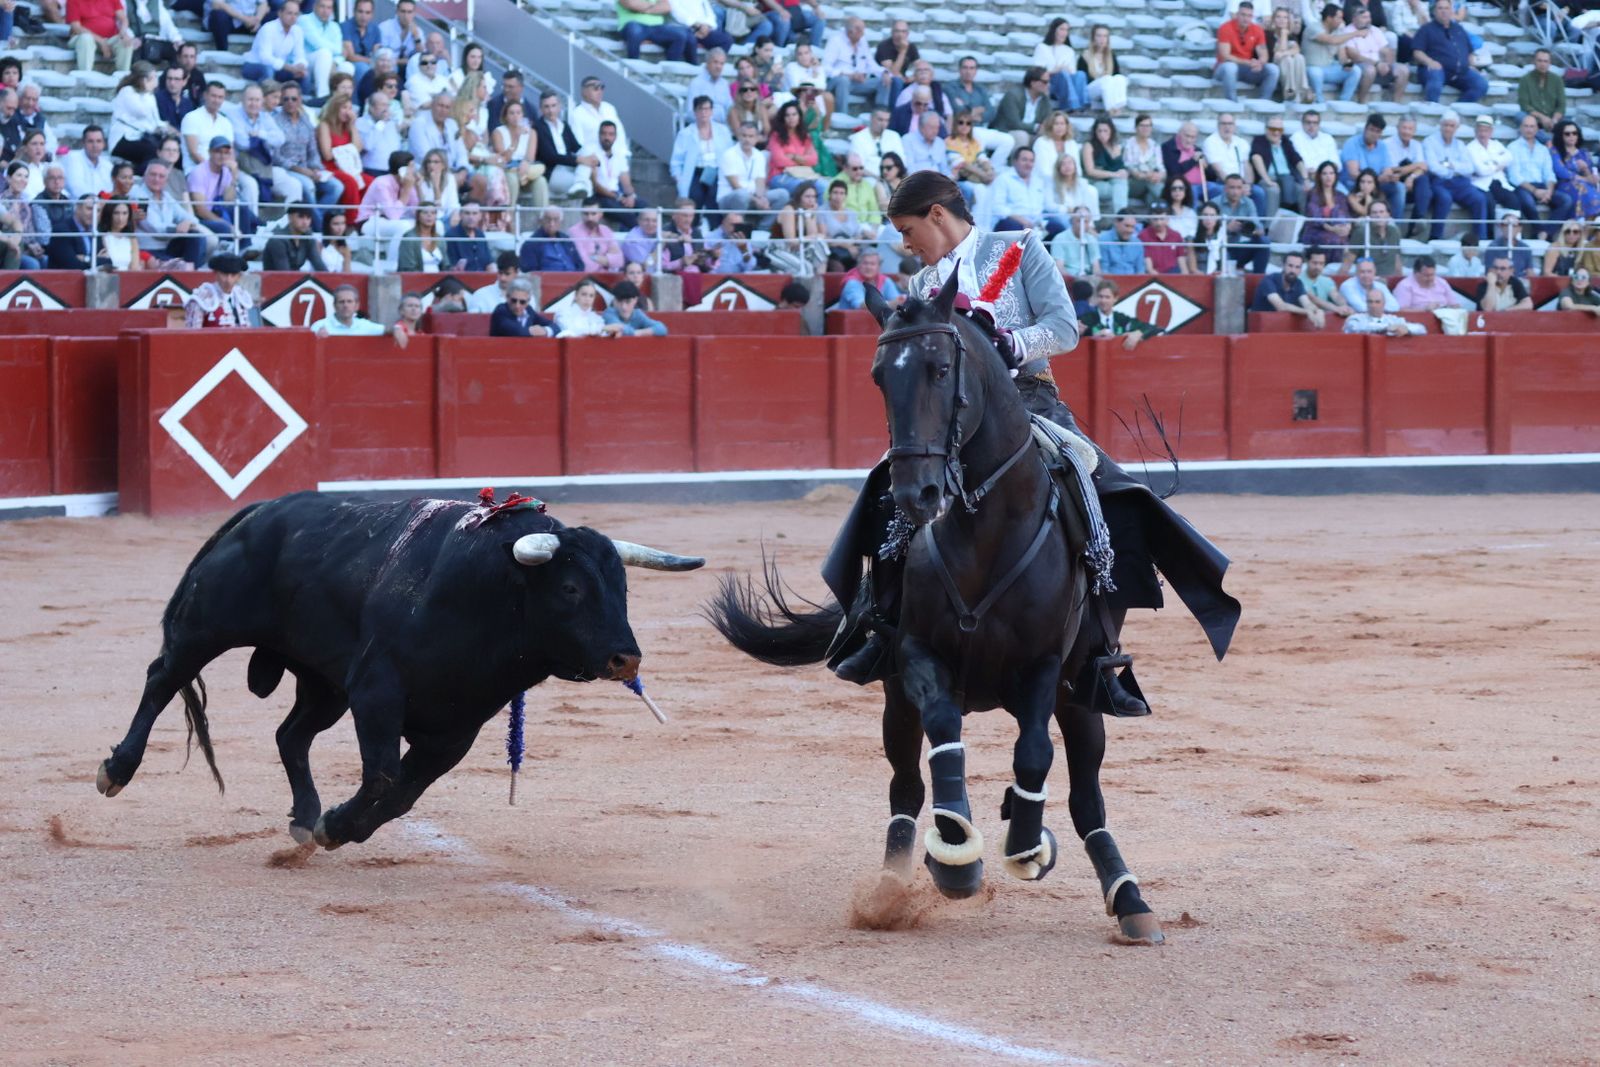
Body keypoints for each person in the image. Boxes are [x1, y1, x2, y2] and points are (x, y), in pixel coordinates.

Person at [825, 170, 1240, 715]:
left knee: (1095, 476)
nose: (905, 244)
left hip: (1029, 399)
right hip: (954, 417)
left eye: (907, 229)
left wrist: (1010, 342)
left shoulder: (1019, 250)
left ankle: (1100, 647)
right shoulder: (923, 286)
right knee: (888, 482)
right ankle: (878, 624)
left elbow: (1064, 327)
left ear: (936, 215)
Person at [1505, 114, 1570, 239]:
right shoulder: (1513, 147)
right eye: (1526, 126)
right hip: (1523, 186)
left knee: (1566, 200)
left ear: (1537, 129)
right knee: (1527, 202)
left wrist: (1549, 192)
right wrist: (1535, 191)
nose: (1529, 129)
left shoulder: (1543, 149)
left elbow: (1549, 173)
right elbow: (1514, 176)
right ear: (1521, 128)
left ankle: (1545, 233)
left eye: (1532, 126)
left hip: (1542, 186)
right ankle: (1540, 231)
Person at [1410, 0, 1484, 104]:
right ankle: (1432, 109)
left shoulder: (1459, 29)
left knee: (1481, 84)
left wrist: (1471, 65)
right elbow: (1417, 52)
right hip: (1436, 70)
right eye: (1440, 8)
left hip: (1460, 72)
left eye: (1446, 8)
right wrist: (1430, 62)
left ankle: (1457, 110)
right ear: (1434, 11)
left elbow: (1469, 51)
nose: (1443, 11)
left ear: (1451, 11)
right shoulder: (1426, 29)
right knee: (1435, 77)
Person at [133, 157, 203, 265]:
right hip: (148, 250)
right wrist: (177, 228)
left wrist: (187, 223)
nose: (157, 179)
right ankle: (187, 270)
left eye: (161, 176)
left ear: (166, 179)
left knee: (194, 235)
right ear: (144, 176)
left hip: (167, 247)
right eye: (153, 174)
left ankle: (192, 272)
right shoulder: (138, 195)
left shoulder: (166, 196)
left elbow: (191, 218)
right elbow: (155, 228)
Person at [671, 95, 732, 213]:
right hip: (695, 172)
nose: (704, 112)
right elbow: (676, 161)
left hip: (717, 171)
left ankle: (714, 227)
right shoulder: (686, 133)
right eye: (700, 109)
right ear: (695, 111)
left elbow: (729, 155)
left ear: (712, 111)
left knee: (715, 196)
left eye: (707, 109)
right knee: (694, 197)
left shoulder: (722, 131)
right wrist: (679, 179)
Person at [534, 90, 597, 202]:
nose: (551, 110)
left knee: (587, 149)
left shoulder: (564, 125)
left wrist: (592, 159)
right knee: (588, 187)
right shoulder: (538, 127)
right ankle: (580, 184)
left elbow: (576, 148)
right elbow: (550, 157)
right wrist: (579, 160)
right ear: (541, 109)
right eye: (546, 107)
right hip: (553, 172)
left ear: (559, 106)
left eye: (553, 106)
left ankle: (579, 183)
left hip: (570, 168)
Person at [1214, 1, 1280, 102]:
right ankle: (1232, 102)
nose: (1246, 18)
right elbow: (1225, 56)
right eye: (1243, 15)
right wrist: (1247, 62)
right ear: (1237, 15)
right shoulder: (1225, 28)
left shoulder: (1257, 29)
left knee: (1273, 69)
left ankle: (1263, 102)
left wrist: (1259, 63)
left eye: (1249, 16)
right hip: (1223, 67)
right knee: (1230, 67)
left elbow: (1264, 54)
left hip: (1246, 68)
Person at [241, 0, 309, 94]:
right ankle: (267, 101)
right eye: (289, 13)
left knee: (304, 75)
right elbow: (265, 58)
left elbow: (300, 55)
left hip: (278, 68)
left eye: (296, 14)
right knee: (267, 70)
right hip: (253, 65)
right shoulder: (268, 28)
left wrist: (301, 66)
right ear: (280, 13)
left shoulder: (298, 30)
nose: (293, 17)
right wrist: (289, 67)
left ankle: (303, 103)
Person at [719, 119, 786, 214]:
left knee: (782, 194)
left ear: (757, 138)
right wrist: (756, 200)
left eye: (751, 136)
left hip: (753, 197)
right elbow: (736, 187)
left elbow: (760, 183)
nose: (747, 139)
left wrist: (762, 198)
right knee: (741, 195)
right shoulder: (729, 155)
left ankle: (763, 227)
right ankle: (739, 227)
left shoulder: (759, 156)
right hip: (730, 198)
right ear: (738, 136)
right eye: (744, 135)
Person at [1250, 249, 1326, 326]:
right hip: (1260, 329)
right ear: (1283, 265)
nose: (1293, 270)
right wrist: (1307, 312)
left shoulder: (1298, 283)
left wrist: (1318, 311)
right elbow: (1280, 306)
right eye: (1290, 266)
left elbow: (1307, 303)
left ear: (1300, 270)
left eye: (1297, 267)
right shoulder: (1269, 281)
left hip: (1281, 328)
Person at [1082, 279, 1159, 349]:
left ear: (1115, 298)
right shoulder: (1087, 319)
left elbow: (1154, 328)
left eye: (1107, 297)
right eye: (1100, 296)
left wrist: (1139, 333)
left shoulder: (1122, 319)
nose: (1103, 301)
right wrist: (1090, 336)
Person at [1253, 115, 1306, 216]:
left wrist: (1305, 178)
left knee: (1302, 190)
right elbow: (1256, 158)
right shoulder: (1260, 140)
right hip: (1268, 178)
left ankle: (1304, 225)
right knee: (1273, 191)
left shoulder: (1285, 141)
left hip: (1287, 179)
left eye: (1279, 130)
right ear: (1266, 129)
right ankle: (1269, 227)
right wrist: (1268, 180)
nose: (1276, 132)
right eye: (1273, 129)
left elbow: (1297, 160)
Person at [183, 251, 254, 327]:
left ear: (239, 276)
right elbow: (193, 333)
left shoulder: (242, 296)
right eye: (224, 274)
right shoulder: (201, 298)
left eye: (233, 275)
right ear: (216, 274)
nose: (228, 280)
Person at [992, 67, 1052, 152]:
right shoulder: (1013, 96)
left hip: (1032, 133)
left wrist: (1044, 128)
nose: (1048, 85)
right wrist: (1036, 127)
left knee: (1049, 137)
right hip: (1007, 131)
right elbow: (1014, 124)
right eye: (1045, 82)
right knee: (1022, 136)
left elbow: (1049, 119)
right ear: (1033, 83)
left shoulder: (1044, 98)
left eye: (1049, 82)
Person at [1218, 173, 1269, 273]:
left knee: (1264, 241)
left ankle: (1258, 278)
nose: (1235, 192)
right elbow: (1208, 233)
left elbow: (1258, 226)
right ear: (1225, 189)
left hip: (1239, 246)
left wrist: (1253, 230)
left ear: (1242, 189)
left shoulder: (1249, 202)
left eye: (1238, 188)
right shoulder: (1215, 203)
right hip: (1220, 248)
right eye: (1232, 188)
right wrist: (1227, 229)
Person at [1551, 121, 1600, 222]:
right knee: (1582, 189)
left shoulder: (1584, 152)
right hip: (1565, 184)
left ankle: (1589, 230)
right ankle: (1579, 223)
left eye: (1574, 133)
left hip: (1586, 184)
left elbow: (1590, 175)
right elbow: (1561, 171)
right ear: (1561, 135)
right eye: (1567, 134)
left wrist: (1585, 169)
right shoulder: (1555, 151)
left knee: (1591, 192)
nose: (1571, 136)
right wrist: (1584, 179)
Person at [1034, 17, 1085, 114]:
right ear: (1054, 30)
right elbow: (1037, 72)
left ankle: (1081, 107)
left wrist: (1067, 71)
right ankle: (1071, 106)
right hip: (1049, 82)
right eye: (1061, 29)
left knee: (1080, 74)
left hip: (1067, 82)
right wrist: (1056, 70)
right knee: (1062, 73)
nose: (1064, 33)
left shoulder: (1069, 50)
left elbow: (1073, 73)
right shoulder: (1042, 47)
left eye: (1066, 30)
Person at [70, 0, 136, 73]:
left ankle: (123, 76)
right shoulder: (74, 1)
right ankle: (85, 74)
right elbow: (76, 27)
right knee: (86, 38)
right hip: (82, 39)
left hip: (109, 39)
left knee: (125, 41)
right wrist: (101, 41)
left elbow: (123, 19)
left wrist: (123, 34)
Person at [1518, 48, 1565, 140]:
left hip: (1552, 119)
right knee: (1520, 116)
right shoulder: (1525, 80)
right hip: (1534, 118)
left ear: (1549, 63)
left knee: (1569, 124)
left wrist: (1554, 120)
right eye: (1539, 61)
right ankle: (1548, 140)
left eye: (1545, 61)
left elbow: (1561, 105)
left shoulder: (1557, 80)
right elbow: (1524, 105)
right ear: (1534, 62)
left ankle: (1549, 137)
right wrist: (1542, 118)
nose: (1542, 64)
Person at [519, 205, 583, 272]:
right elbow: (531, 273)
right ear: (541, 221)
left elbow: (580, 264)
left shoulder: (567, 240)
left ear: (561, 222)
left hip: (574, 279)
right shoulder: (531, 244)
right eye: (548, 219)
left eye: (556, 220)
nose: (552, 224)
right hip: (549, 280)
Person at [1394, 253, 1470, 309]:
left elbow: (1455, 305)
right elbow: (1402, 311)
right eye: (1426, 275)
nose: (1430, 278)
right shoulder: (1405, 286)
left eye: (1432, 275)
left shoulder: (1442, 283)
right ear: (1416, 273)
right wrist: (1424, 310)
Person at [555, 278, 625, 338]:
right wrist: (602, 329)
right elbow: (572, 330)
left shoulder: (596, 318)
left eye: (591, 296)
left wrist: (610, 334)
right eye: (584, 294)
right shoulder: (563, 313)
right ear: (576, 296)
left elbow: (602, 336)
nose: (587, 299)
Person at [490, 276, 557, 337]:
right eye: (514, 300)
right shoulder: (501, 310)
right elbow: (516, 331)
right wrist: (532, 331)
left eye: (522, 302)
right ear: (507, 297)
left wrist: (545, 330)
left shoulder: (529, 311)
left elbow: (555, 327)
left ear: (528, 301)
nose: (517, 305)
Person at [835, 246, 901, 308]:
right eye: (865, 263)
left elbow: (897, 301)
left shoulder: (885, 281)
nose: (868, 267)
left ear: (879, 266)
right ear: (858, 265)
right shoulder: (852, 283)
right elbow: (860, 306)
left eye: (872, 264)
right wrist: (889, 304)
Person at [262, 202, 323, 270]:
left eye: (308, 218)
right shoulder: (278, 240)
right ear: (289, 217)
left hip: (295, 278)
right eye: (301, 217)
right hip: (274, 279)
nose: (305, 222)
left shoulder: (308, 237)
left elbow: (318, 264)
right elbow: (284, 272)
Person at [1344, 284, 1424, 334]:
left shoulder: (1393, 320)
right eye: (1370, 302)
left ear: (1384, 303)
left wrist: (1407, 329)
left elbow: (1421, 328)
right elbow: (1356, 328)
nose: (1373, 305)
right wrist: (1386, 328)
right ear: (1366, 303)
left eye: (1377, 302)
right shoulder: (1356, 318)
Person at [601, 279, 667, 335]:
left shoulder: (637, 314)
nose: (624, 307)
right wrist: (636, 333)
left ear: (635, 300)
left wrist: (637, 333)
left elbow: (661, 328)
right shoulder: (609, 313)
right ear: (615, 301)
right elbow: (617, 327)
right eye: (620, 301)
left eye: (628, 302)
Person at [1301, 245, 1352, 315]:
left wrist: (1344, 306)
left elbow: (1336, 296)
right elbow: (1313, 299)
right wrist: (1336, 309)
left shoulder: (1327, 281)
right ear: (1307, 261)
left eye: (1321, 263)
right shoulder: (1299, 280)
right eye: (1315, 263)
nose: (1318, 267)